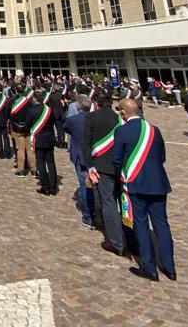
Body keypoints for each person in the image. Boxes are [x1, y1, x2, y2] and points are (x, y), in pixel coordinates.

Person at [113, 98, 176, 282]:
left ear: (123, 113)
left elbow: (117, 159)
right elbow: (162, 156)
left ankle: (149, 268)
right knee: (162, 225)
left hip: (135, 184)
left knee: (140, 224)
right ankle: (170, 268)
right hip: (158, 183)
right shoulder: (153, 129)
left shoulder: (122, 131)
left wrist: (122, 176)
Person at [83, 89, 126, 257]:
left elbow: (86, 145)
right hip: (121, 165)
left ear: (96, 103)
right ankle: (131, 238)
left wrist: (90, 166)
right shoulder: (120, 118)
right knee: (124, 201)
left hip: (102, 166)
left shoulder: (92, 117)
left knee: (108, 202)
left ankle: (116, 242)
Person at [62, 94, 95, 227]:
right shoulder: (95, 119)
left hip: (81, 156)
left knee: (85, 185)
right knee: (94, 187)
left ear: (78, 106)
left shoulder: (73, 120)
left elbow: (66, 128)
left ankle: (88, 216)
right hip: (95, 156)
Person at [26, 90, 58, 195]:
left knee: (41, 163)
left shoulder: (31, 111)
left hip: (39, 139)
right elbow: (53, 121)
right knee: (51, 163)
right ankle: (53, 186)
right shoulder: (49, 110)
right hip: (49, 137)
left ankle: (45, 186)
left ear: (35, 99)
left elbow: (28, 124)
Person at [9, 88, 35, 177]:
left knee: (20, 149)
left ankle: (21, 169)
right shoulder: (29, 102)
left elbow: (8, 113)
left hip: (17, 127)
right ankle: (33, 169)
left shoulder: (12, 101)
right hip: (27, 127)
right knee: (29, 149)